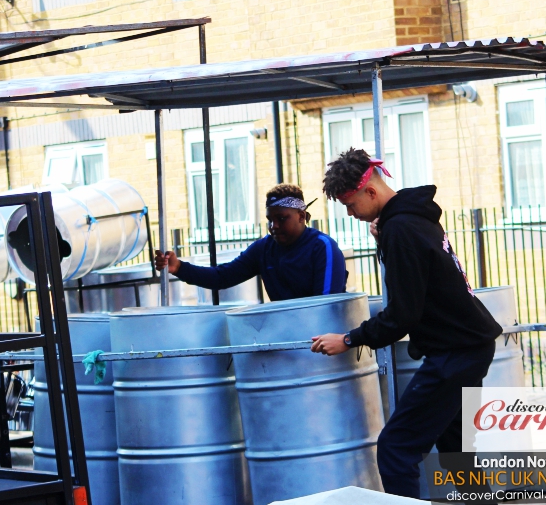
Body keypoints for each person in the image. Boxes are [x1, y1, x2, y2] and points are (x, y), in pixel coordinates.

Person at [310, 148, 501, 499]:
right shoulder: (413, 217)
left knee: (396, 449)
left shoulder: (401, 229)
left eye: (350, 205)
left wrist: (349, 340)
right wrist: (385, 243)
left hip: (453, 353)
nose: (351, 214)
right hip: (470, 345)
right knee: (457, 449)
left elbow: (402, 315)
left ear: (370, 192)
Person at [154, 184, 347, 301]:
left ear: (301, 216)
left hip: (324, 342)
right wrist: (179, 267)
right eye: (270, 220)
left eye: (282, 218)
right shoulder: (264, 248)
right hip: (287, 335)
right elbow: (222, 277)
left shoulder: (323, 247)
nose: (274, 226)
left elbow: (327, 303)